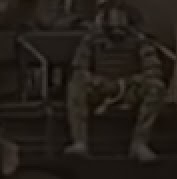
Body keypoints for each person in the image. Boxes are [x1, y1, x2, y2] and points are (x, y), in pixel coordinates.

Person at [65, 0, 166, 163]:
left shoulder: (139, 41)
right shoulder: (91, 40)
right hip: (100, 88)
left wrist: (128, 82)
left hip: (128, 89)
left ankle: (139, 144)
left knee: (156, 87)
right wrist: (99, 82)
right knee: (76, 86)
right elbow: (79, 68)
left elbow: (153, 70)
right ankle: (79, 142)